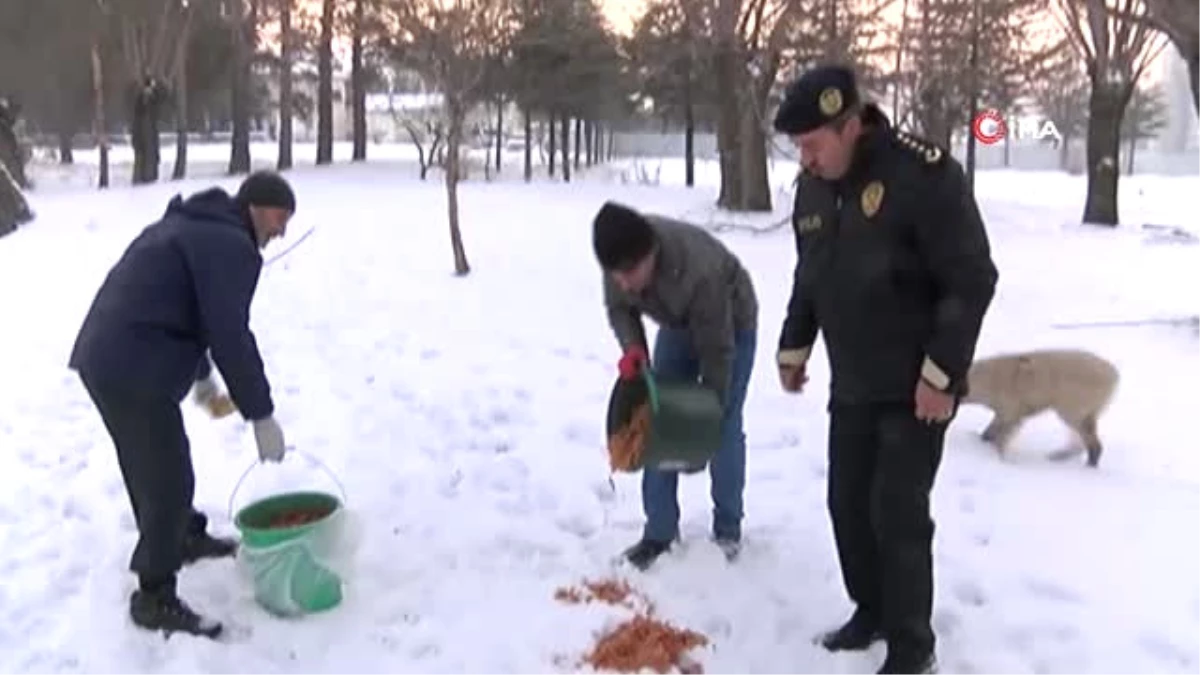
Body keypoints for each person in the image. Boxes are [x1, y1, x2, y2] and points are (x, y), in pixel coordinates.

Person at [772, 65, 998, 675]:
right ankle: (870, 609)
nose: (807, 159)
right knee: (846, 505)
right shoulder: (814, 189)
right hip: (853, 381)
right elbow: (811, 274)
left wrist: (942, 375)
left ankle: (911, 648)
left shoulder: (923, 176)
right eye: (800, 149)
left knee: (896, 513)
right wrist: (795, 346)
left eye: (814, 145)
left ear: (850, 125)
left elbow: (972, 278)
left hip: (913, 386)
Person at [68, 170, 297, 639]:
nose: (282, 231)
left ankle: (184, 537)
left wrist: (202, 380)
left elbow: (180, 303)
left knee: (155, 462)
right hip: (129, 362)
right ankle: (154, 595)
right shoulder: (232, 246)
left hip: (116, 353)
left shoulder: (201, 226)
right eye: (279, 217)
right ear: (254, 205)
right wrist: (261, 413)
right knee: (166, 475)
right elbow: (230, 333)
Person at [592, 201, 758, 570]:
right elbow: (619, 308)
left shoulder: (697, 270)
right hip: (677, 322)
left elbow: (718, 352)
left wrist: (704, 426)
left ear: (650, 254)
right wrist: (634, 348)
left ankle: (728, 530)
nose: (621, 282)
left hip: (731, 323)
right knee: (655, 418)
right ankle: (659, 534)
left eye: (629, 273)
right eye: (614, 274)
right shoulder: (618, 257)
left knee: (725, 423)